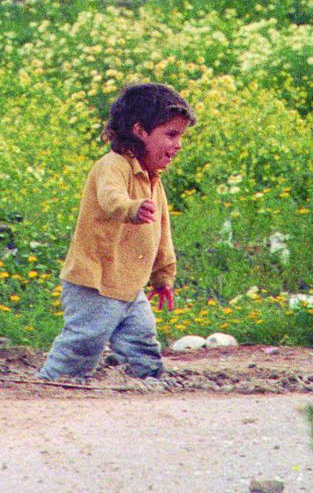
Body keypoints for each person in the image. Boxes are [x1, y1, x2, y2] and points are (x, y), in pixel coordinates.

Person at [38, 82, 195, 381]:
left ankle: (150, 380)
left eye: (180, 136)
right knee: (84, 342)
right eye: (171, 134)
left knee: (142, 339)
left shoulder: (153, 179)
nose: (178, 144)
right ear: (139, 130)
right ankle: (50, 382)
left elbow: (162, 233)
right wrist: (131, 208)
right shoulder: (112, 166)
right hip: (94, 282)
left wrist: (163, 275)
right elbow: (111, 199)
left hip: (129, 285)